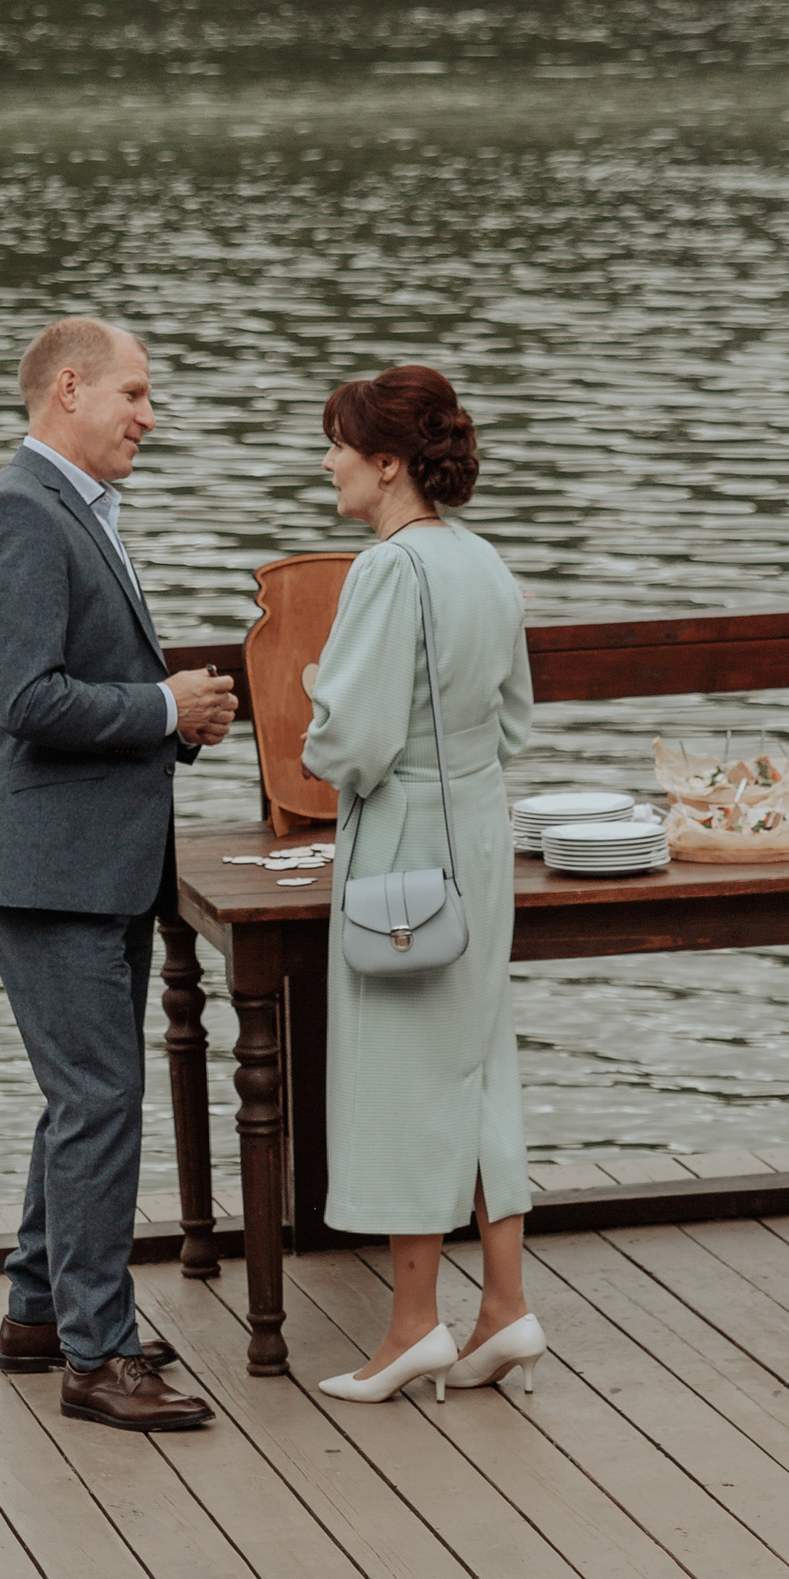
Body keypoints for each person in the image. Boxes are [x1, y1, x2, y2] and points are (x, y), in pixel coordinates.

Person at [0, 316, 237, 1432]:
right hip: (52, 868)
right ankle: (95, 1354)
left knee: (87, 1096)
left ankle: (38, 1311)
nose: (149, 417)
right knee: (100, 1099)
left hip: (95, 862)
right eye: (135, 394)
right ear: (69, 389)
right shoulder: (22, 514)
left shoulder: (69, 510)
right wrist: (166, 705)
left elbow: (66, 686)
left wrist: (170, 722)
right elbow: (24, 700)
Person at [302, 365, 541, 1402]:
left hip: (404, 832)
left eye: (340, 446)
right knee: (478, 1061)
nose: (329, 462)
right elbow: (517, 720)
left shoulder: (387, 569)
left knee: (402, 1066)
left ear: (387, 464)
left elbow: (350, 746)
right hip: (480, 830)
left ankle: (410, 1326)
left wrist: (319, 699)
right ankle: (503, 1304)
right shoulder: (485, 563)